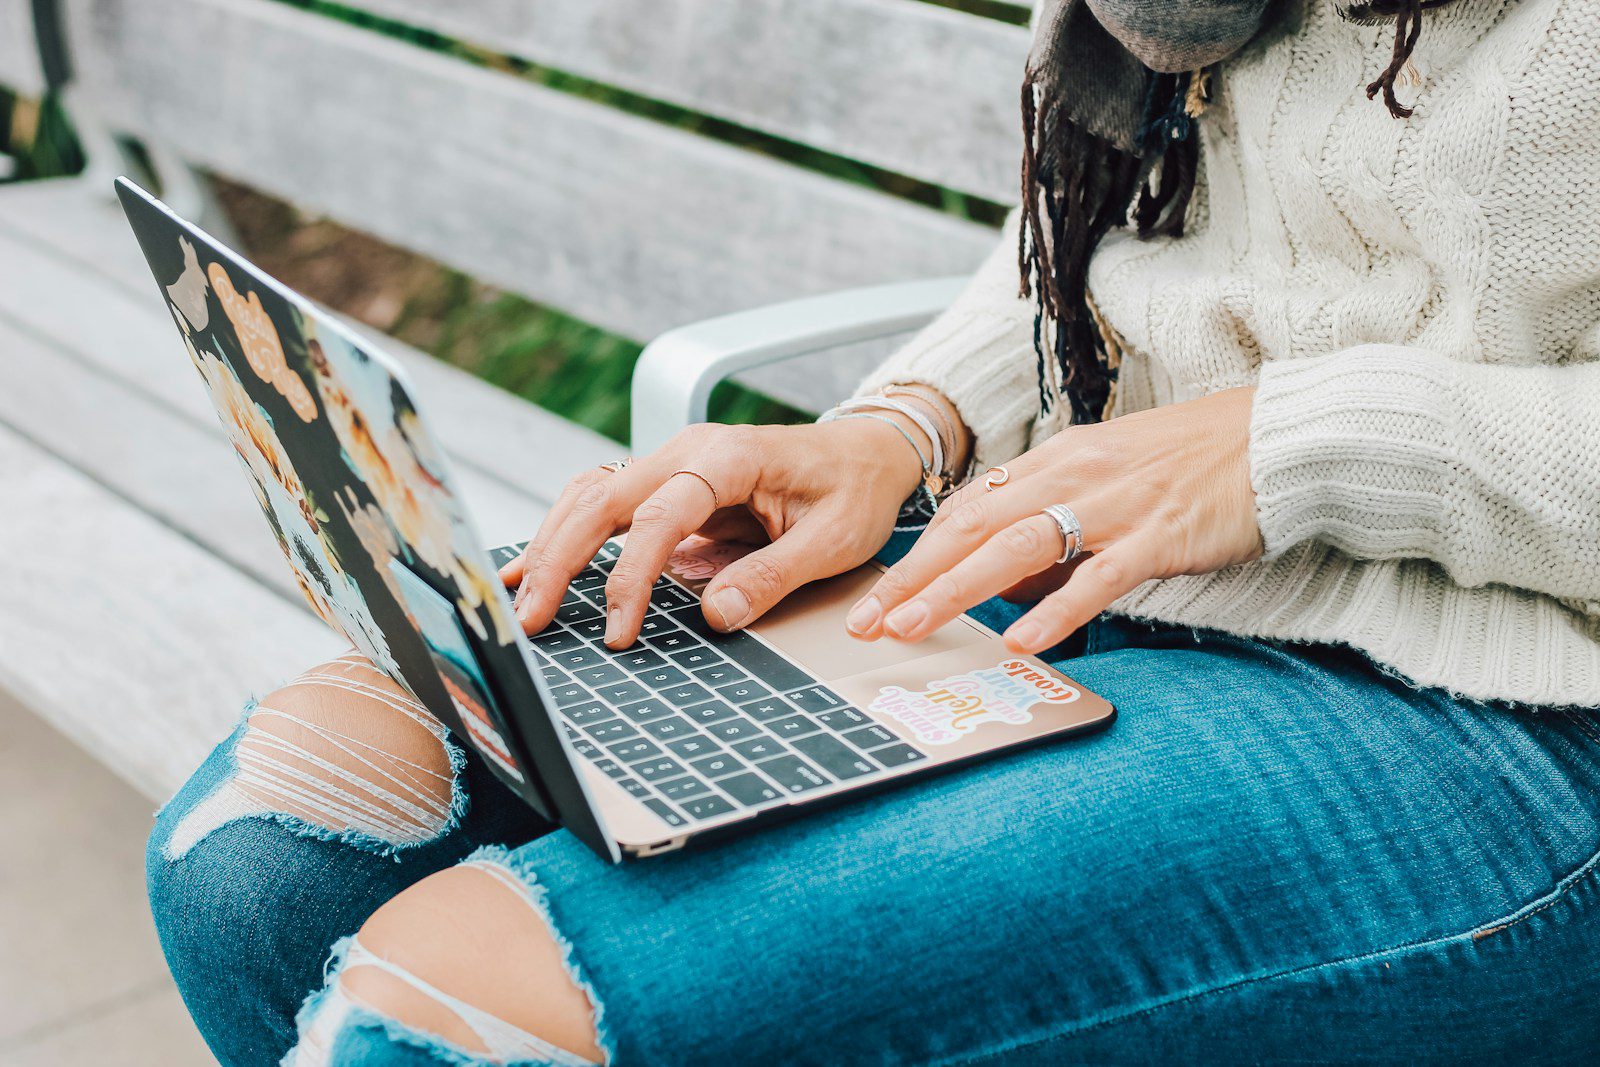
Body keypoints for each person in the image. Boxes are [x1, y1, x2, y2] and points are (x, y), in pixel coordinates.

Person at [148, 1, 1600, 1063]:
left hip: (1505, 696)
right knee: (263, 863)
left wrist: (1293, 443)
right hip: (1095, 574)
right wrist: (897, 432)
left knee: (448, 1024)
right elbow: (1120, 236)